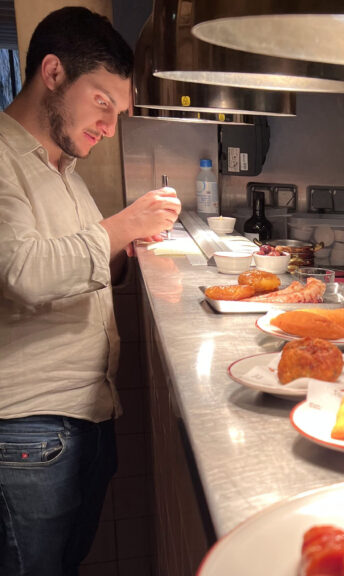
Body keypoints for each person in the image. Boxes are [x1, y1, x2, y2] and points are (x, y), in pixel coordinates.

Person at [0, 7, 181, 575]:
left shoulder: (62, 170)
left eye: (118, 112)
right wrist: (122, 225)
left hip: (83, 415)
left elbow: (86, 265)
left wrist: (132, 249)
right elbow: (22, 272)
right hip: (28, 428)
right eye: (103, 101)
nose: (109, 126)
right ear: (53, 73)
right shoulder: (3, 159)